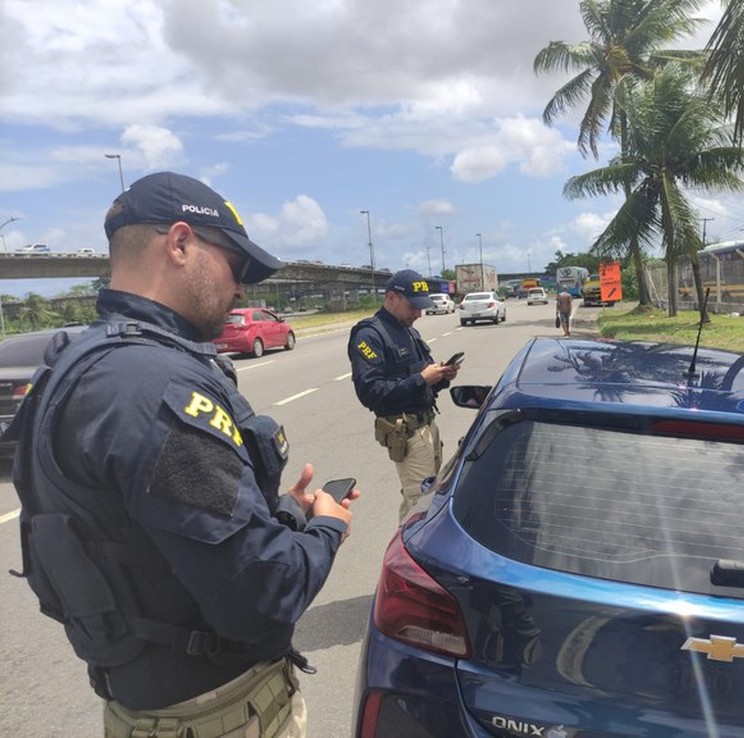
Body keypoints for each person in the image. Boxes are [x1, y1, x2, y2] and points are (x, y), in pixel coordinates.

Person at [4, 171, 356, 738]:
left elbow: (155, 534)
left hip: (153, 700)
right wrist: (328, 529)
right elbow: (262, 598)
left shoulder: (83, 362)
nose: (241, 289)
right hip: (218, 716)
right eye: (235, 266)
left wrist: (283, 515)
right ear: (180, 243)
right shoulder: (155, 388)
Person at [347, 270, 460, 520]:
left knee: (425, 497)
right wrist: (421, 379)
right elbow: (370, 393)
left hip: (427, 425)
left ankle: (403, 546)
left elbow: (421, 381)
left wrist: (440, 377)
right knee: (420, 504)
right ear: (391, 298)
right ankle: (407, 556)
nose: (418, 314)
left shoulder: (410, 331)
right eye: (413, 307)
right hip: (407, 433)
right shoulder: (370, 335)